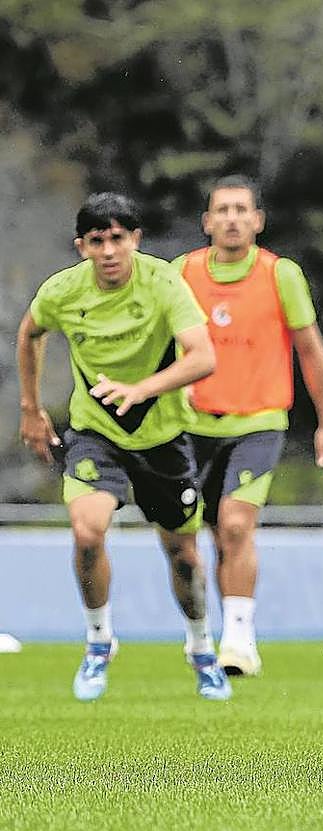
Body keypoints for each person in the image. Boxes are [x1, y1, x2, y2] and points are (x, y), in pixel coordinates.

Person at [16, 192, 231, 702]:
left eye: (118, 238)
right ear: (82, 247)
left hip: (163, 437)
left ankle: (201, 648)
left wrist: (141, 389)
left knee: (182, 554)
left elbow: (202, 357)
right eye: (97, 241)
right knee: (86, 532)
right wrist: (31, 408)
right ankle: (98, 642)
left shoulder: (163, 283)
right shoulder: (62, 291)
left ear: (135, 238)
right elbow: (30, 333)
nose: (109, 250)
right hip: (96, 434)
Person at [174, 175, 323, 677]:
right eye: (222, 210)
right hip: (191, 426)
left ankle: (239, 642)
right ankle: (204, 633)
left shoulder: (280, 274)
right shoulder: (181, 273)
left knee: (235, 525)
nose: (232, 218)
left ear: (257, 221)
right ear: (207, 221)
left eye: (241, 209)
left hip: (258, 422)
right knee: (198, 538)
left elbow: (310, 349)